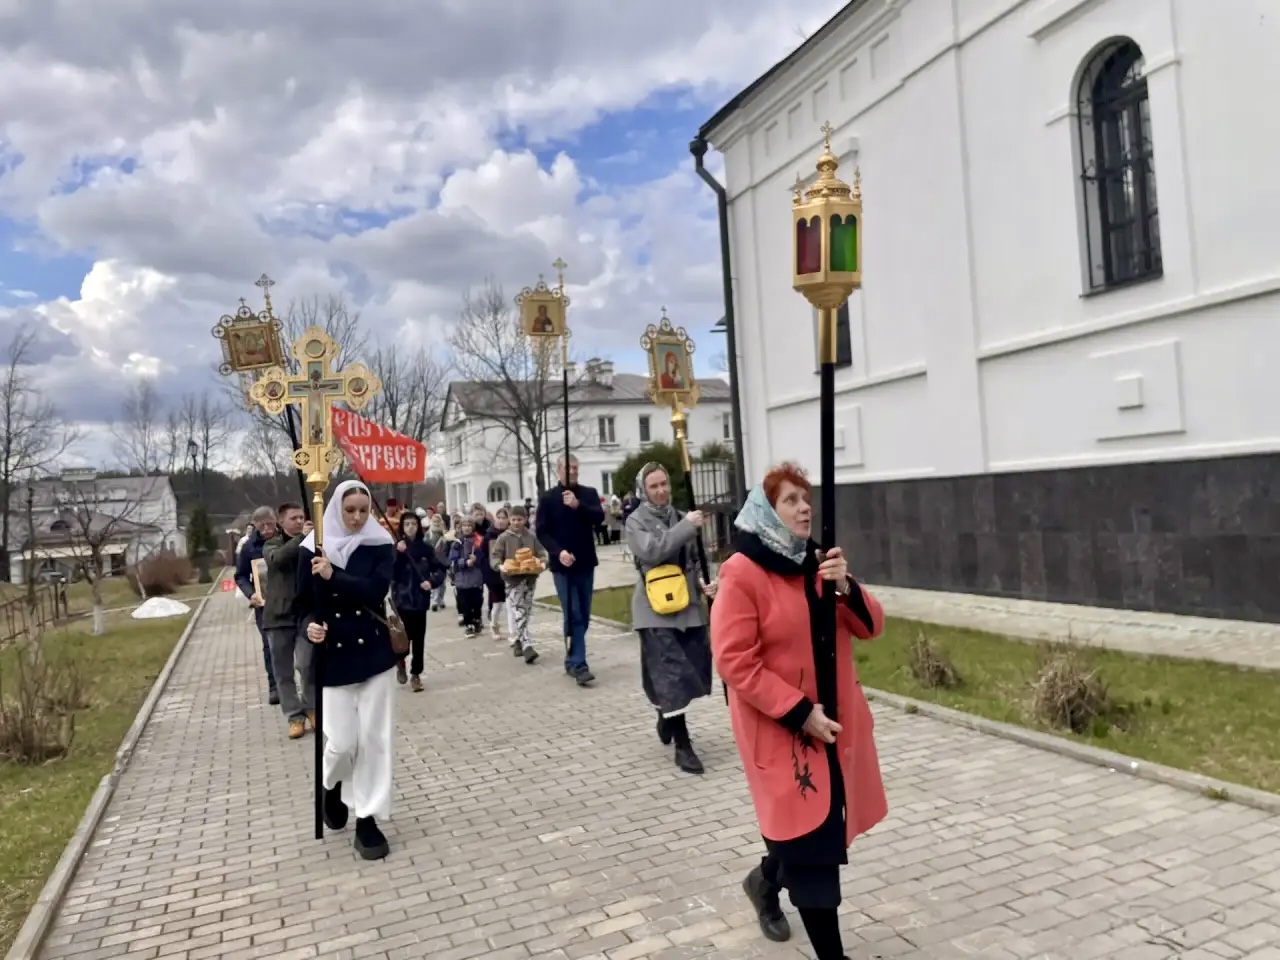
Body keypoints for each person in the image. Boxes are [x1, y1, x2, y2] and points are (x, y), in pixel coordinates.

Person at [711, 463, 886, 959]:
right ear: (767, 512)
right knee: (812, 853)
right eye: (790, 500)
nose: (804, 508)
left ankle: (764, 881)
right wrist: (798, 711)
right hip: (783, 729)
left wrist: (845, 586)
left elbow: (871, 627)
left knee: (815, 833)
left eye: (806, 498)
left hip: (832, 726)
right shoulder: (742, 571)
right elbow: (733, 659)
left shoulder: (819, 564)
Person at [297, 480, 397, 861]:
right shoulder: (312, 549)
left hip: (373, 655)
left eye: (363, 510)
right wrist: (310, 626)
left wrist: (333, 576)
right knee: (341, 743)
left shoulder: (380, 545)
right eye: (349, 510)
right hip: (333, 658)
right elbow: (302, 605)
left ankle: (367, 820)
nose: (356, 517)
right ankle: (331, 785)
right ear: (336, 509)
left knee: (373, 742)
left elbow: (375, 590)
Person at [624, 463, 717, 774]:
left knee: (696, 667)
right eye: (654, 486)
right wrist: (686, 527)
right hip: (654, 611)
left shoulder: (681, 516)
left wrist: (704, 582)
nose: (661, 490)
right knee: (670, 676)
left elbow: (694, 557)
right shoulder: (635, 521)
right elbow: (653, 551)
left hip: (687, 606)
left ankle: (666, 713)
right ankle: (683, 746)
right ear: (643, 490)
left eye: (664, 483)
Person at [536, 455, 604, 687]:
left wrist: (578, 505)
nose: (573, 471)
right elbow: (542, 531)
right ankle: (579, 664)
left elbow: (599, 518)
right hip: (562, 566)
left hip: (585, 562)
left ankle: (571, 656)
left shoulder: (588, 494)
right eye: (568, 468)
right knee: (573, 612)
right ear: (559, 470)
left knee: (583, 614)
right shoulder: (548, 498)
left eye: (575, 467)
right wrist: (559, 552)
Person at [262, 502, 315, 739]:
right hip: (278, 616)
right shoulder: (272, 544)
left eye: (301, 517)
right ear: (281, 521)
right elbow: (277, 560)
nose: (299, 521)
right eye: (294, 518)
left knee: (307, 664)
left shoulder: (312, 541)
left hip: (305, 614)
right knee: (283, 672)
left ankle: (312, 707)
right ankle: (294, 716)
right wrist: (301, 539)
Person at [391, 511, 444, 692]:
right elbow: (391, 573)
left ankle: (416, 674)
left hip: (420, 600)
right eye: (407, 524)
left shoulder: (426, 548)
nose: (411, 527)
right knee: (402, 637)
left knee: (418, 639)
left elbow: (439, 569)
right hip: (402, 599)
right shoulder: (396, 548)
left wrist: (431, 582)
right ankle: (400, 662)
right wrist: (398, 554)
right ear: (402, 527)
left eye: (414, 524)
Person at [489, 504, 545, 663]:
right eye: (513, 519)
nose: (516, 522)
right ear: (509, 520)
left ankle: (519, 641)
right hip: (512, 579)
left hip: (530, 578)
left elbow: (541, 552)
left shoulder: (531, 536)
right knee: (519, 610)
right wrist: (500, 566)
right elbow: (495, 555)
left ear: (525, 519)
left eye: (519, 519)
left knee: (526, 611)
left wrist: (542, 563)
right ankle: (527, 646)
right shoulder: (504, 538)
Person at [235, 506, 279, 705]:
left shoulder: (287, 538)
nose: (267, 529)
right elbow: (241, 575)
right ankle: (274, 686)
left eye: (270, 524)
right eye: (262, 526)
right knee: (269, 646)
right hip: (265, 604)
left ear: (276, 520)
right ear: (255, 525)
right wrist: (251, 593)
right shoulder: (249, 547)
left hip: (291, 600)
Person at [449, 517, 486, 635]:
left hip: (476, 578)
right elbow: (453, 560)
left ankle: (477, 620)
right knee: (465, 603)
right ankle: (468, 623)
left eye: (469, 525)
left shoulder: (478, 541)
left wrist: (476, 559)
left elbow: (483, 558)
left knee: (477, 601)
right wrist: (464, 562)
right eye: (464, 525)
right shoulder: (457, 543)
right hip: (462, 579)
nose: (467, 528)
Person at [481, 507, 509, 639]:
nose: (501, 520)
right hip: (493, 573)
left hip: (508, 571)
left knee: (508, 601)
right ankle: (494, 624)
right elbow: (484, 553)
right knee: (497, 600)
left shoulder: (511, 533)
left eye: (504, 517)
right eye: (499, 517)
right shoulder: (490, 535)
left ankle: (512, 627)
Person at [424, 514, 449, 611]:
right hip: (431, 561)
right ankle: (435, 601)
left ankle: (440, 599)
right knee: (433, 580)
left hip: (442, 561)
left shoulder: (445, 534)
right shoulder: (427, 534)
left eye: (438, 521)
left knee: (442, 583)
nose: (436, 523)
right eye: (434, 521)